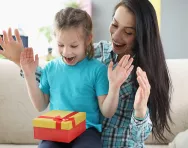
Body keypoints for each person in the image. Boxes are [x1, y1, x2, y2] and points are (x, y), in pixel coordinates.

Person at [0, 0, 172, 147]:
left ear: (142, 35)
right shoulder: (94, 53)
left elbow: (139, 137)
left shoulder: (146, 74)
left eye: (128, 32)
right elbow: (57, 78)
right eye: (114, 25)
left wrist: (140, 110)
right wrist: (19, 61)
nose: (116, 36)